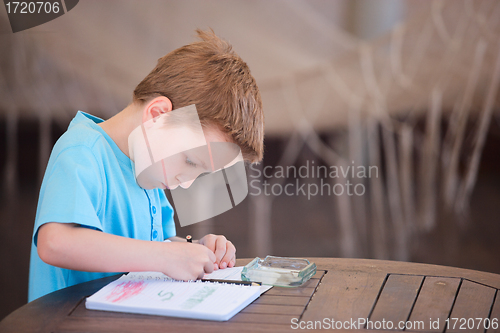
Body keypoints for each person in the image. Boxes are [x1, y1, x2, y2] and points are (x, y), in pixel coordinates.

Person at [28, 29, 264, 302]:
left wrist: (194, 250)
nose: (185, 182)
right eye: (190, 162)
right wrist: (165, 256)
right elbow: (55, 242)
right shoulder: (83, 152)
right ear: (158, 116)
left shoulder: (148, 174)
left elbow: (153, 246)